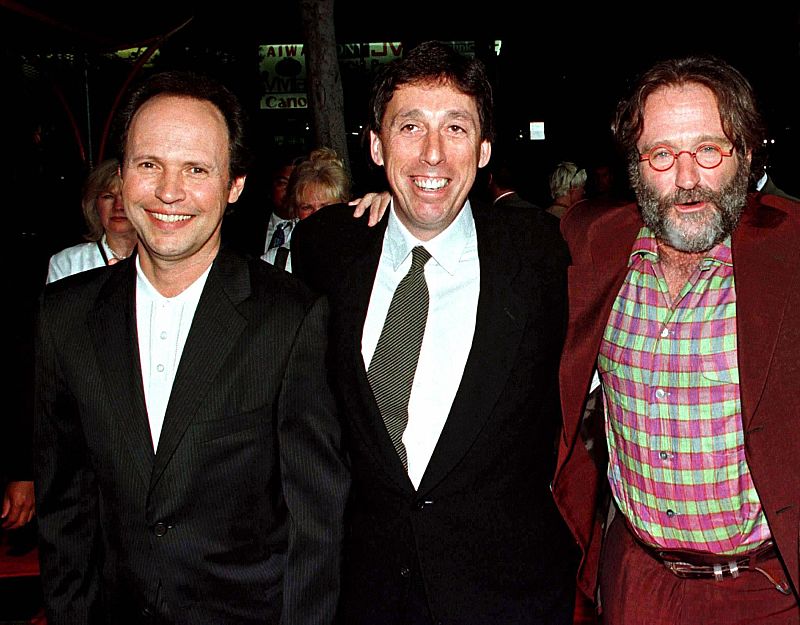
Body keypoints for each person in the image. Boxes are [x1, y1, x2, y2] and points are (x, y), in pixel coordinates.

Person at [33, 70, 349, 625]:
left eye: (196, 169)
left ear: (234, 186)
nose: (168, 191)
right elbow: (65, 513)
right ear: (122, 174)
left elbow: (314, 529)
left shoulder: (292, 317)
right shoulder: (64, 316)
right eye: (149, 164)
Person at [292, 40, 578, 625]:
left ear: (484, 149)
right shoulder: (326, 247)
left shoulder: (544, 255)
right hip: (363, 598)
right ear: (375, 145)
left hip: (507, 600)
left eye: (455, 128)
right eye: (409, 127)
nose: (432, 155)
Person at [552, 54, 800, 624]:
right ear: (634, 166)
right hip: (635, 582)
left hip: (765, 589)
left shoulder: (789, 256)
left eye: (708, 150)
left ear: (744, 155)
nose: (687, 179)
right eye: (662, 155)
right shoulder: (591, 244)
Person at [46, 157, 137, 283]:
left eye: (125, 197)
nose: (118, 206)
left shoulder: (161, 262)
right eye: (108, 197)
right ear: (95, 204)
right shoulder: (68, 262)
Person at [263, 147, 352, 271]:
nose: (316, 214)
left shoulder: (362, 254)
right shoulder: (275, 261)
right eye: (307, 207)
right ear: (296, 210)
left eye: (325, 206)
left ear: (343, 203)